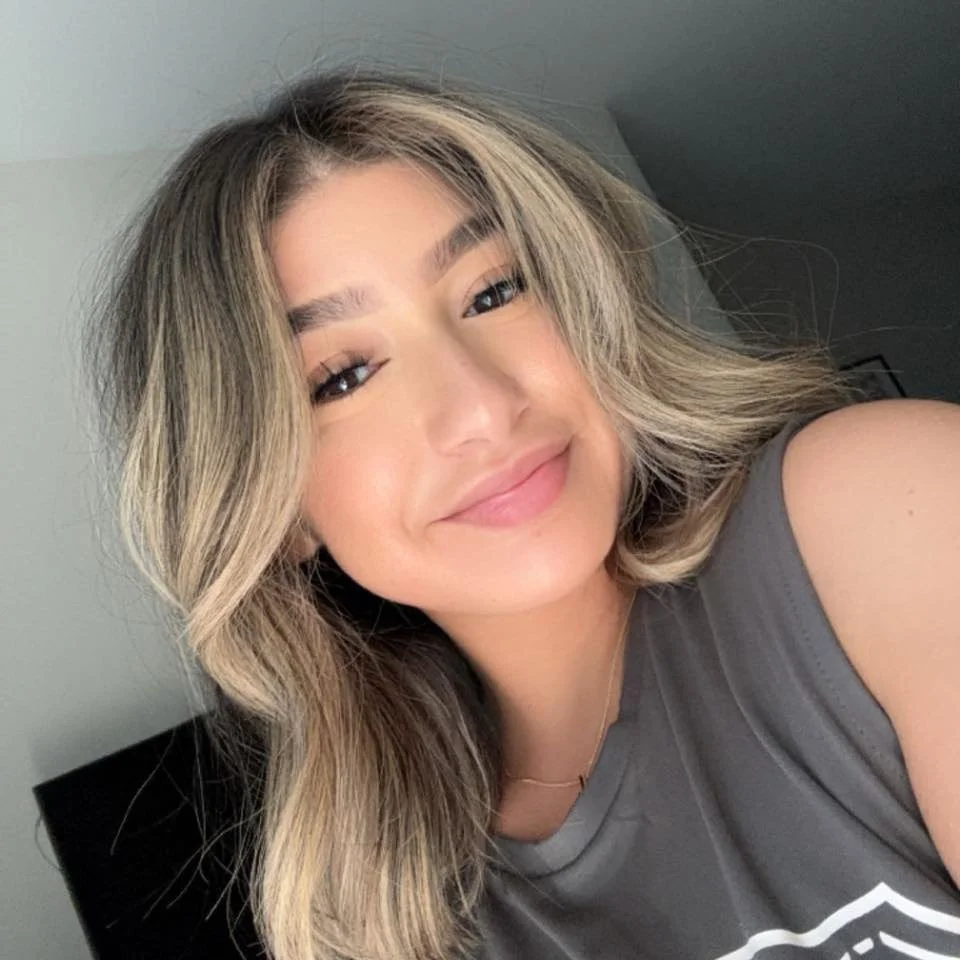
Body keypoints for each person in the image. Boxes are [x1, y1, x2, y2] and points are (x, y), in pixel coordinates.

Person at [83, 67, 960, 960]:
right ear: (275, 510)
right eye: (343, 376)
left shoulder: (877, 508)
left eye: (493, 292)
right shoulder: (403, 929)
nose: (481, 406)